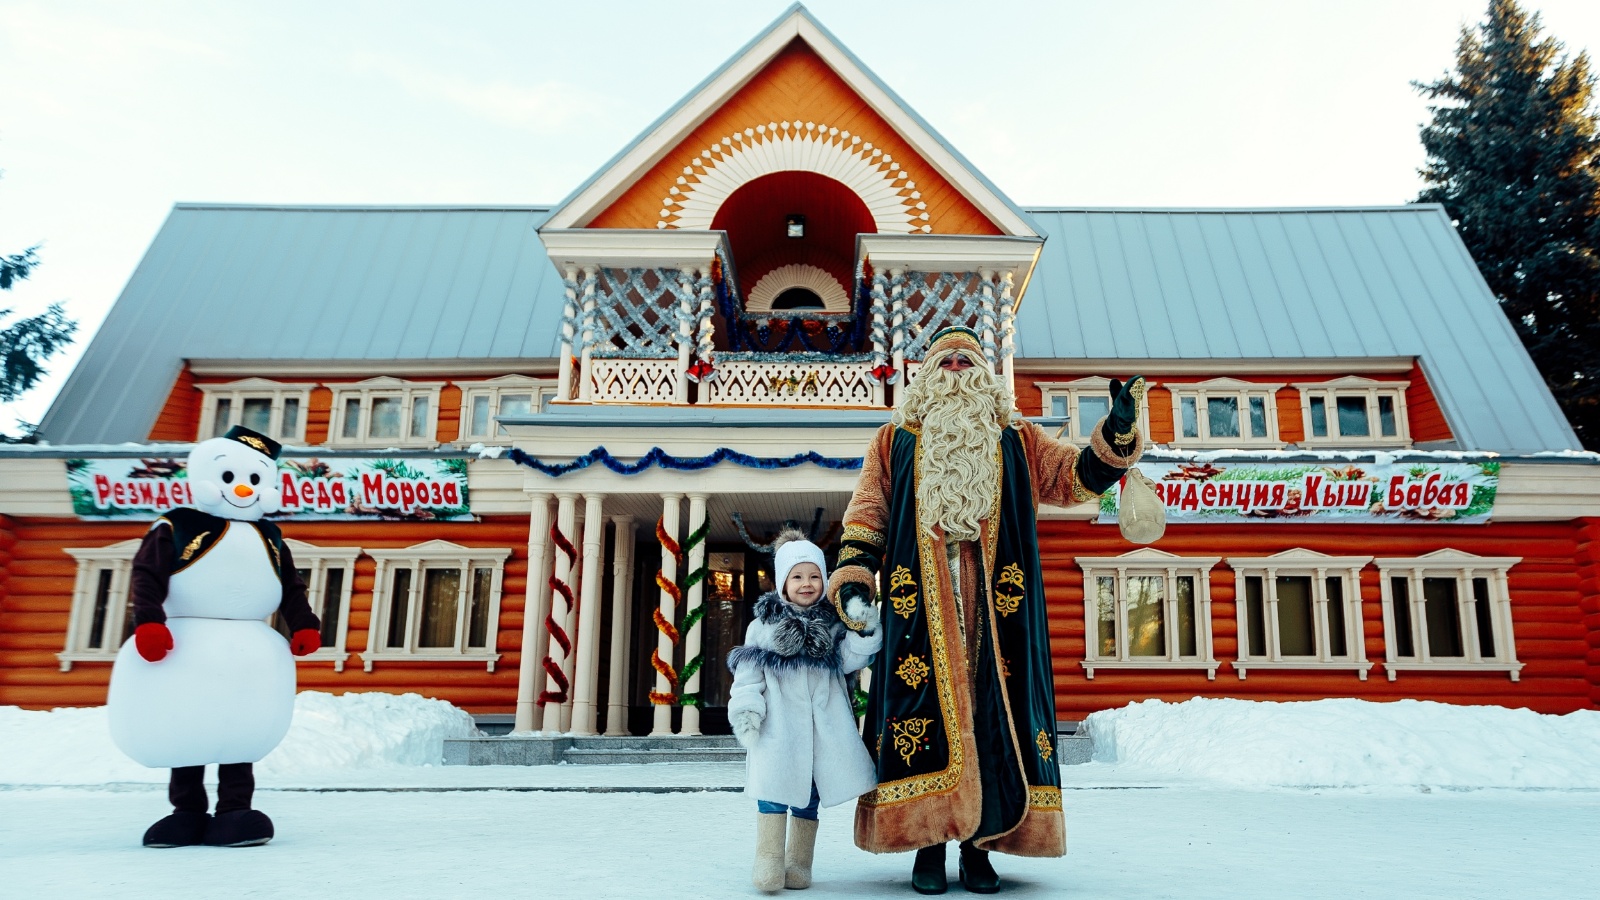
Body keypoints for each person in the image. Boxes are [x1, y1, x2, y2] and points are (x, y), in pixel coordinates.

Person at [828, 326, 1145, 894]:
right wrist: (854, 580)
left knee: (991, 718)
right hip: (917, 607)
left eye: (965, 358)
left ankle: (980, 850)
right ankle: (927, 846)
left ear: (984, 376)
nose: (954, 366)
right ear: (926, 374)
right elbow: (865, 516)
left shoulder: (1017, 439)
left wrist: (1118, 431)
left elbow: (1075, 480)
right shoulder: (893, 439)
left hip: (998, 614)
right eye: (944, 359)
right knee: (921, 718)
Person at [107, 426, 321, 848]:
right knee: (187, 726)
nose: (243, 488)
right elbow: (148, 575)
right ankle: (186, 812)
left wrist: (304, 623)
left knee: (240, 729)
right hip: (185, 646)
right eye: (230, 477)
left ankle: (235, 811)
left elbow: (291, 586)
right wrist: (149, 622)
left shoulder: (270, 538)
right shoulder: (179, 526)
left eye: (255, 480)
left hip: (251, 654)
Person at [727, 529, 883, 892]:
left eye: (814, 576)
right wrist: (748, 711)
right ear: (783, 583)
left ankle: (799, 863)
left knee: (809, 796)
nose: (807, 583)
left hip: (820, 730)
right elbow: (748, 677)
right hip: (777, 730)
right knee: (773, 792)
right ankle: (768, 860)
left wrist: (864, 631)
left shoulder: (832, 625)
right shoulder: (762, 627)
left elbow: (849, 661)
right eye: (797, 576)